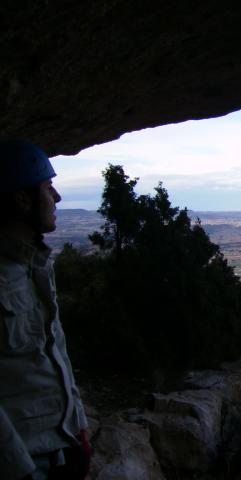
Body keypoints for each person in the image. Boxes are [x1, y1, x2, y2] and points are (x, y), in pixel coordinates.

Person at [0, 140, 92, 480]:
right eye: (48, 188)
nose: (57, 199)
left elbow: (55, 354)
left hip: (62, 447)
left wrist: (78, 428)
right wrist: (19, 470)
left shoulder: (34, 265)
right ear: (22, 199)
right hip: (23, 462)